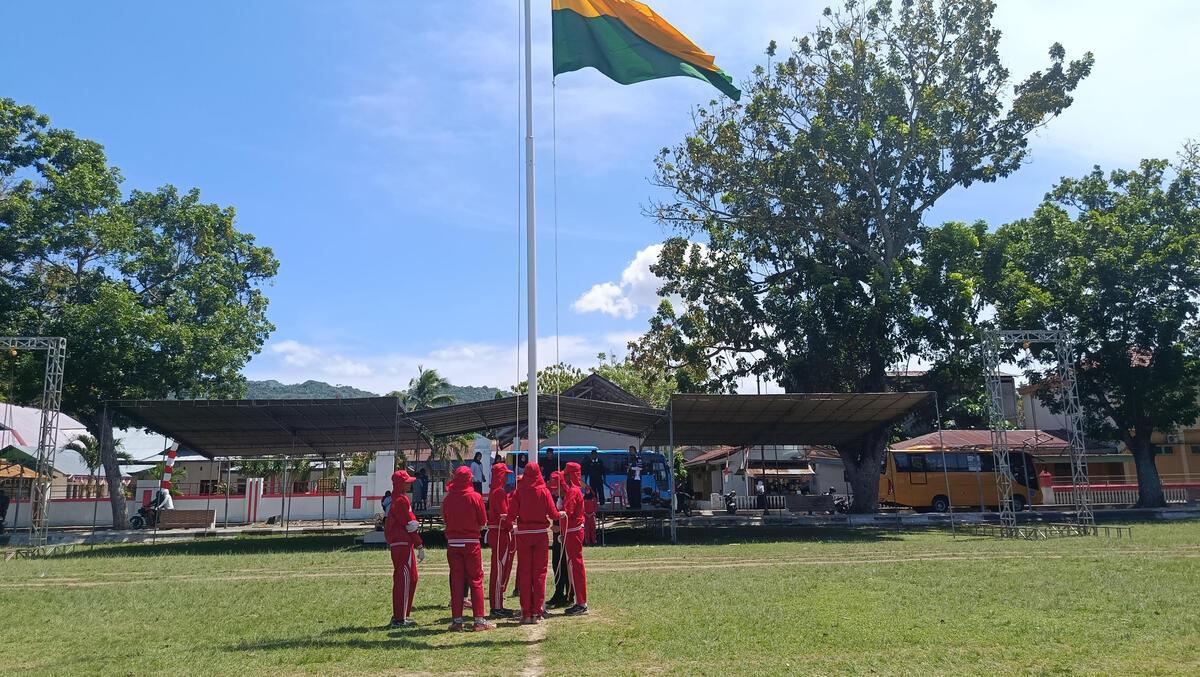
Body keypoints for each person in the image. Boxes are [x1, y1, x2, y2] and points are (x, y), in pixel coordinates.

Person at [441, 466, 495, 632]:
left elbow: (445, 518)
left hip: (453, 543)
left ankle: (457, 621)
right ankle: (479, 620)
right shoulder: (475, 497)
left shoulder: (448, 498)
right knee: (476, 580)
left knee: (457, 581)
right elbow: (482, 520)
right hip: (471, 542)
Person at [509, 462, 563, 624]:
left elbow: (511, 515)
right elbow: (553, 514)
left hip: (524, 535)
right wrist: (562, 514)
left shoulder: (519, 492)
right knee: (539, 574)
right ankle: (537, 612)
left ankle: (526, 613)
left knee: (525, 573)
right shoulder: (544, 491)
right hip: (540, 535)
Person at [384, 469, 425, 628]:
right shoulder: (400, 500)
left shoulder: (398, 499)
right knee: (405, 579)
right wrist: (419, 543)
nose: (409, 484)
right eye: (407, 482)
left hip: (401, 543)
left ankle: (402, 615)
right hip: (402, 543)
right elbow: (409, 524)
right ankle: (400, 617)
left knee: (410, 578)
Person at [487, 462, 516, 618]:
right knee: (499, 570)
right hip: (500, 534)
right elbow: (504, 515)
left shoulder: (495, 491)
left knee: (499, 569)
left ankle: (498, 604)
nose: (506, 477)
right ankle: (497, 606)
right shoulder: (499, 493)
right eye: (504, 474)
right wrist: (512, 527)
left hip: (498, 533)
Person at [560, 462, 589, 615]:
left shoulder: (573, 491)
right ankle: (580, 601)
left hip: (573, 531)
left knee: (575, 567)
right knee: (574, 566)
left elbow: (567, 512)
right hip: (573, 531)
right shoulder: (576, 490)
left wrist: (558, 511)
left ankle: (581, 602)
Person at [546, 471, 574, 609]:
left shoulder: (569, 496)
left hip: (565, 534)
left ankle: (569, 595)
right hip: (558, 535)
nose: (555, 491)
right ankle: (558, 593)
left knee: (566, 565)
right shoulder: (558, 497)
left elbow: (570, 516)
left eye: (556, 488)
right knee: (557, 563)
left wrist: (560, 529)